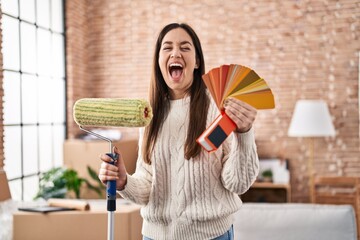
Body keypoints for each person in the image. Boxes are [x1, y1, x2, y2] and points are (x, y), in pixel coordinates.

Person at [98, 22, 259, 240]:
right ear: (159, 61)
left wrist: (245, 133)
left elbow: (237, 183)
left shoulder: (218, 109)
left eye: (185, 47)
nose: (176, 53)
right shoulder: (149, 115)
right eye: (167, 48)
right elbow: (147, 187)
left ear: (197, 61)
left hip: (210, 235)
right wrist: (124, 181)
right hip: (154, 236)